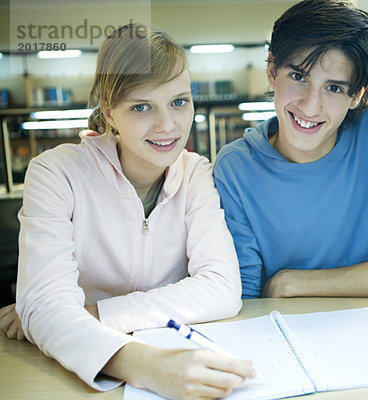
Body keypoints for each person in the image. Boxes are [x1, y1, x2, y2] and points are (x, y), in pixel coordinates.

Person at [0, 24, 255, 398]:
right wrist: (147, 365)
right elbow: (44, 305)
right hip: (84, 375)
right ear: (109, 112)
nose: (168, 125)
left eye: (179, 102)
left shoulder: (195, 173)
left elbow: (222, 289)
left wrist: (91, 314)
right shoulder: (55, 173)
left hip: (147, 349)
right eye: (141, 106)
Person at [213, 0, 368, 299]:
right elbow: (244, 296)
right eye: (298, 77)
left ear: (357, 95)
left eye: (333, 88)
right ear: (272, 71)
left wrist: (291, 284)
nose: (310, 106)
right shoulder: (235, 167)